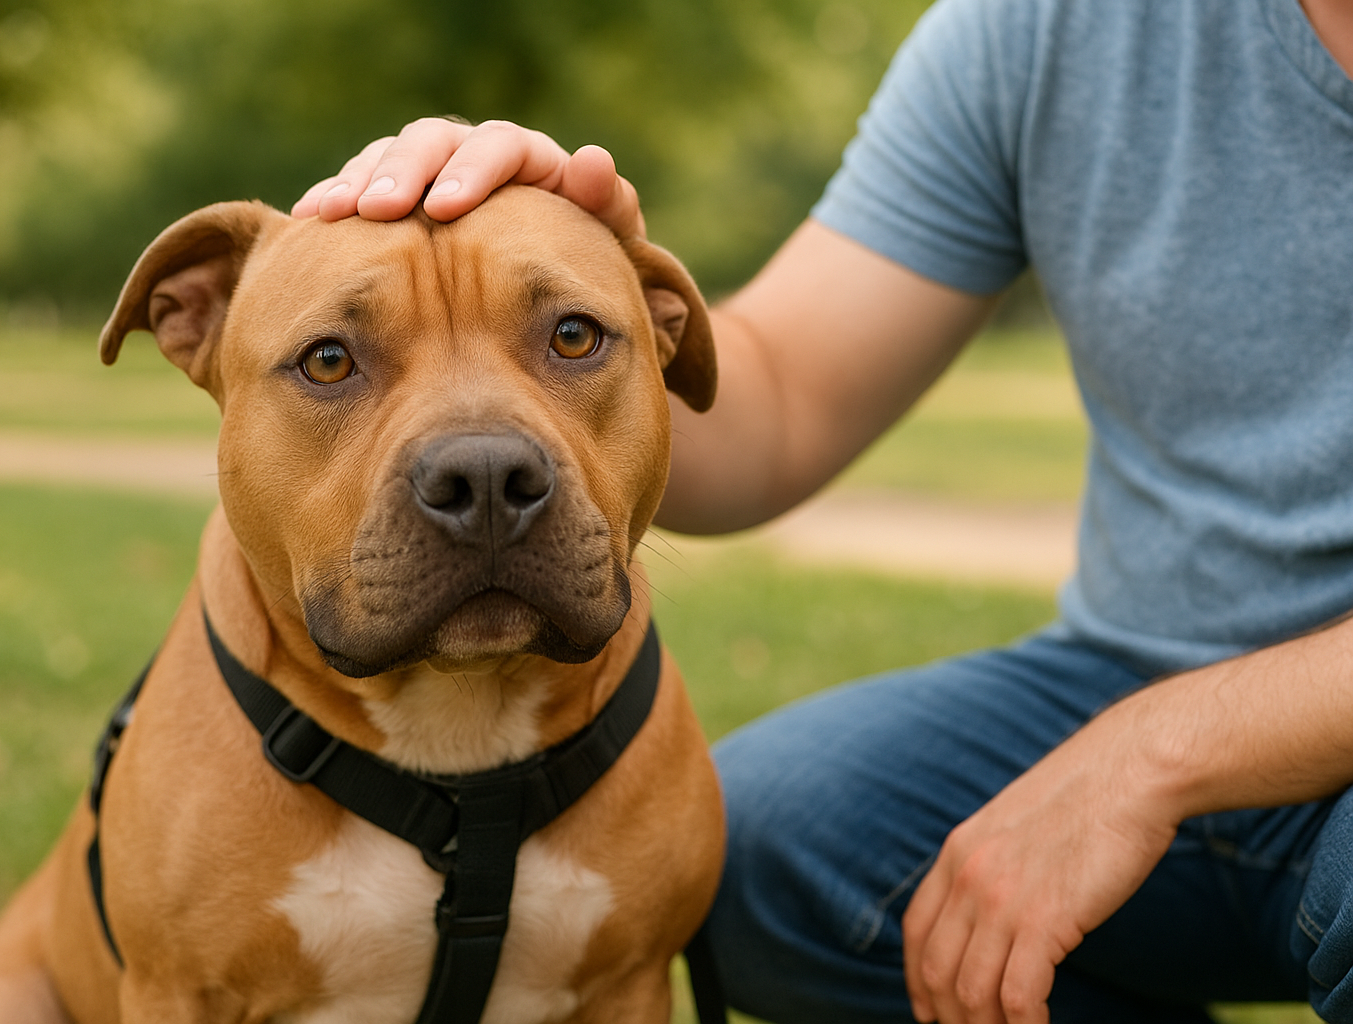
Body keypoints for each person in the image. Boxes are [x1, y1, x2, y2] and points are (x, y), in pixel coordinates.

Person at [291, 0, 1353, 1020]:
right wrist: (590, 307)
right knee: (756, 852)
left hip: (1221, 732)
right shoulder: (1051, 24)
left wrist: (1154, 752)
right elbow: (779, 401)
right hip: (1128, 669)